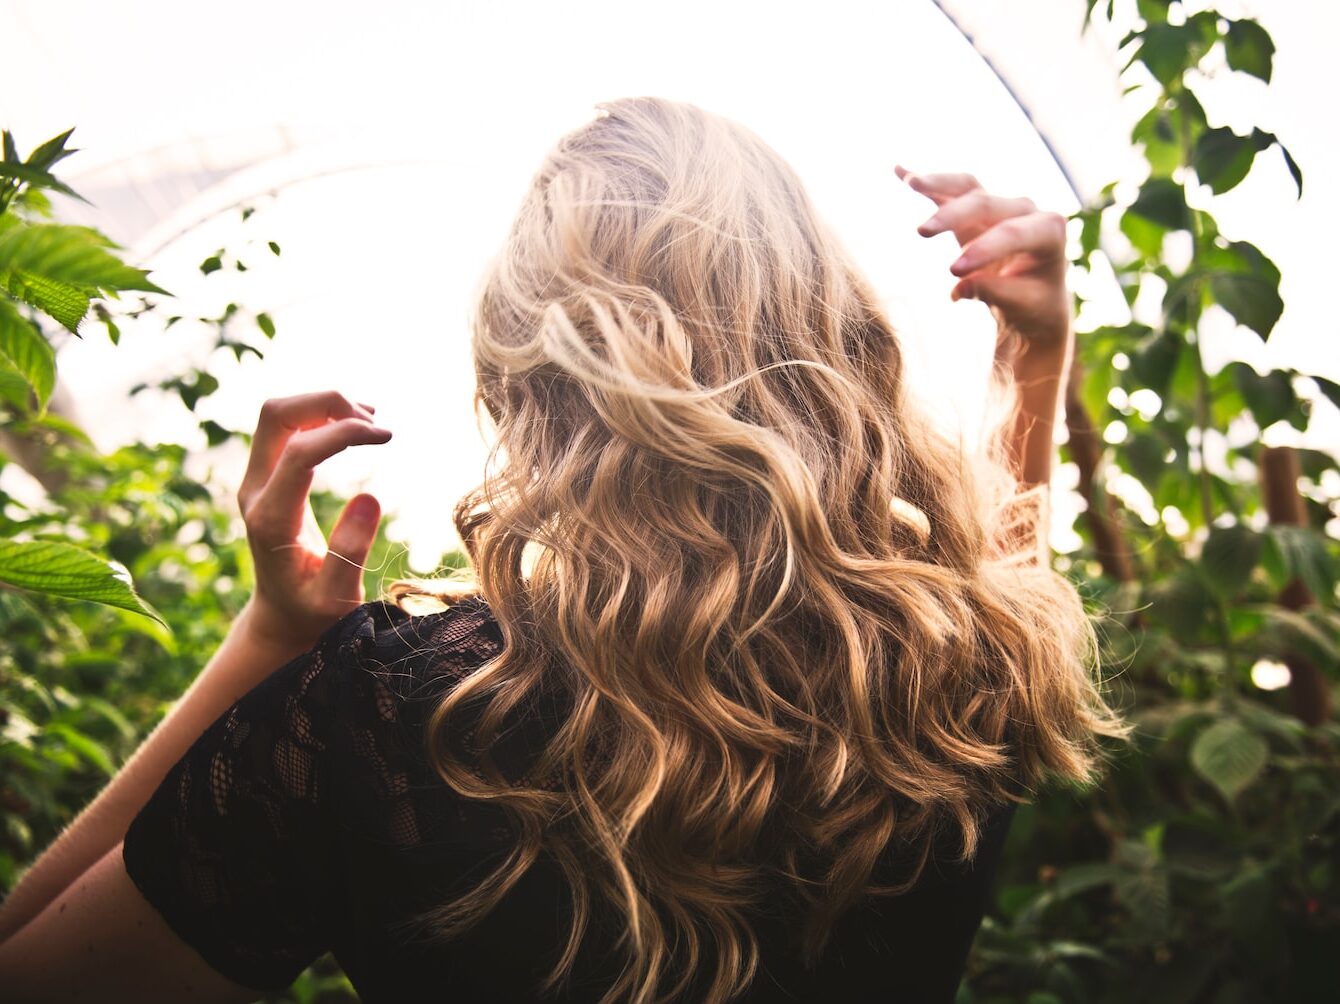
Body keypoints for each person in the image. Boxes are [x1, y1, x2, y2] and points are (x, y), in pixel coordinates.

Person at [0, 97, 1123, 1003]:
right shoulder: (962, 676)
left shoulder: (393, 718)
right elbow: (993, 576)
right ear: (824, 329)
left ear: (530, 375)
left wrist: (269, 643)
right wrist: (1032, 354)